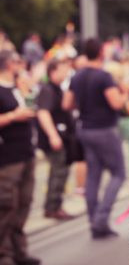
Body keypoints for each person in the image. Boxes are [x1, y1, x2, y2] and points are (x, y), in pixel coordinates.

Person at [63, 38, 128, 239]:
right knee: (118, 174)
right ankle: (101, 219)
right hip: (104, 129)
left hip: (85, 129)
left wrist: (85, 106)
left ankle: (94, 222)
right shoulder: (103, 77)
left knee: (93, 175)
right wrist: (125, 93)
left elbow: (67, 104)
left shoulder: (77, 76)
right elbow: (116, 103)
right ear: (100, 52)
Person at [0, 50, 40, 265]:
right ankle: (4, 254)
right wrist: (14, 116)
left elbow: (33, 106)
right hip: (8, 157)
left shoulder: (17, 88)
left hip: (26, 152)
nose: (22, 65)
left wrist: (26, 91)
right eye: (18, 62)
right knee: (7, 206)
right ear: (9, 64)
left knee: (24, 203)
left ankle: (19, 251)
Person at [36, 59, 75, 220]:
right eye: (62, 69)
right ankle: (52, 207)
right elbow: (43, 113)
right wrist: (53, 135)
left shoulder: (57, 89)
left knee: (61, 171)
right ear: (53, 71)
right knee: (58, 172)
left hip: (61, 136)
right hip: (54, 138)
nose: (66, 72)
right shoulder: (47, 90)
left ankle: (55, 205)